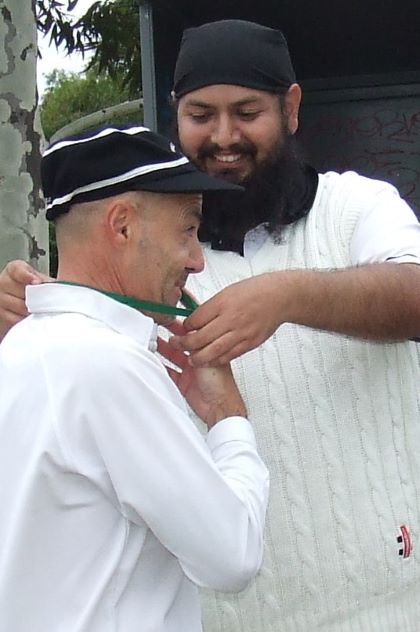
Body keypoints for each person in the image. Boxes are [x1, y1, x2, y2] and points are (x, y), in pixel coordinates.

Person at [1, 18, 420, 632]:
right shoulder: (147, 264)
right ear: (176, 116)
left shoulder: (357, 207)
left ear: (292, 108)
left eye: (246, 111)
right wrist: (30, 308)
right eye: (201, 115)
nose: (224, 137)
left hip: (385, 608)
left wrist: (287, 296)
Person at [0, 125, 269, 632]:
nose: (197, 259)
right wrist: (228, 418)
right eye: (187, 230)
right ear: (122, 226)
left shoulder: (22, 344)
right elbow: (232, 554)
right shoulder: (105, 364)